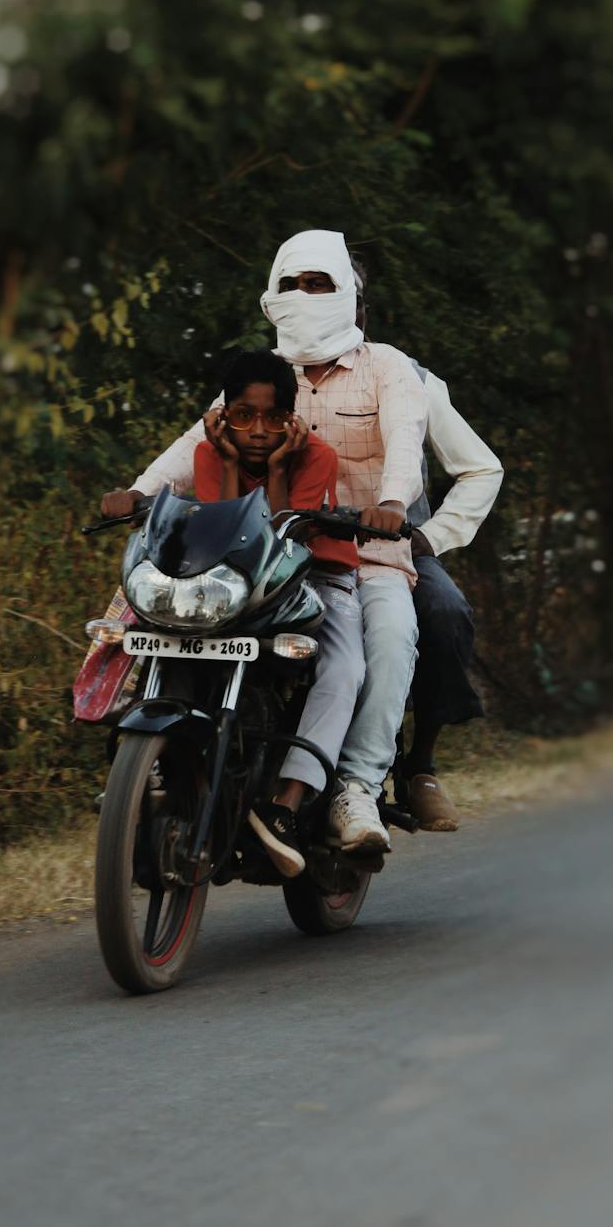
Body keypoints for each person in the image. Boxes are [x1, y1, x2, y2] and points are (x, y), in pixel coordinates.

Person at [101, 230, 428, 857]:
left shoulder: (386, 368)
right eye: (291, 284)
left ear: (349, 293)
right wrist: (137, 491)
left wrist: (391, 504)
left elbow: (406, 439)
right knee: (145, 623)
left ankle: (353, 788)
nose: (303, 296)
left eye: (318, 284)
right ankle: (154, 766)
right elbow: (189, 455)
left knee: (379, 649)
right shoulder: (261, 376)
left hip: (361, 556)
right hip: (250, 569)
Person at [193, 347, 364, 879]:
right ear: (224, 415)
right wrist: (227, 463)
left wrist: (276, 468)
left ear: (292, 419)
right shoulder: (208, 454)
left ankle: (286, 804)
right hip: (234, 583)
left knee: (344, 668)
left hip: (318, 577)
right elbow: (226, 537)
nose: (258, 431)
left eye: (273, 418)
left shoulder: (316, 456)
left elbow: (278, 540)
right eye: (244, 416)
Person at [348, 259, 503, 832]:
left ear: (362, 310)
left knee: (444, 610)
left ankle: (420, 765)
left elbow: (482, 468)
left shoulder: (409, 376)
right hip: (296, 544)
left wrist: (429, 536)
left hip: (395, 548)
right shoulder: (272, 376)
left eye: (343, 295)